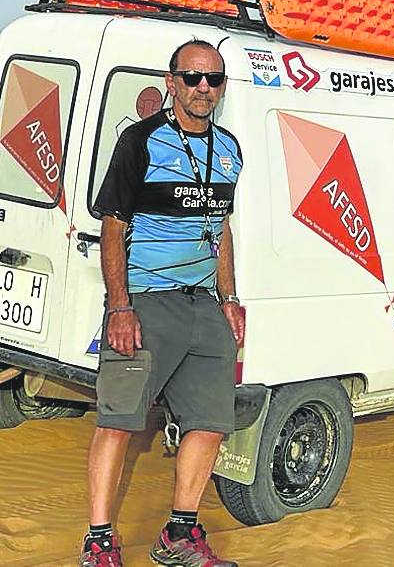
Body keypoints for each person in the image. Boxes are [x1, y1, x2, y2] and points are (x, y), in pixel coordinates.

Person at [81, 40, 245, 567]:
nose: (203, 89)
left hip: (205, 306)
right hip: (147, 303)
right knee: (119, 419)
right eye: (192, 78)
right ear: (171, 81)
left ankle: (179, 535)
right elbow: (114, 226)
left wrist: (230, 297)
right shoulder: (141, 142)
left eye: (213, 79)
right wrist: (120, 307)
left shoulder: (229, 149)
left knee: (211, 421)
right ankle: (99, 542)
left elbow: (220, 229)